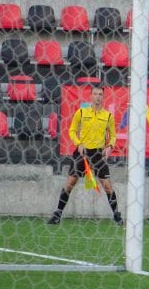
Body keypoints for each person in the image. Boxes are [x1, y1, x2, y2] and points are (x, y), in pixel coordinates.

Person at [48, 85, 122, 225]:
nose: (97, 97)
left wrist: (110, 146)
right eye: (95, 94)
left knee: (107, 185)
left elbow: (113, 135)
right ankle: (57, 215)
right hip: (82, 152)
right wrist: (79, 143)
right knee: (70, 183)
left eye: (100, 94)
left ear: (103, 97)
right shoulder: (81, 112)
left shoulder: (108, 116)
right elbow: (72, 130)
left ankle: (117, 216)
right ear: (91, 96)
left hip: (98, 153)